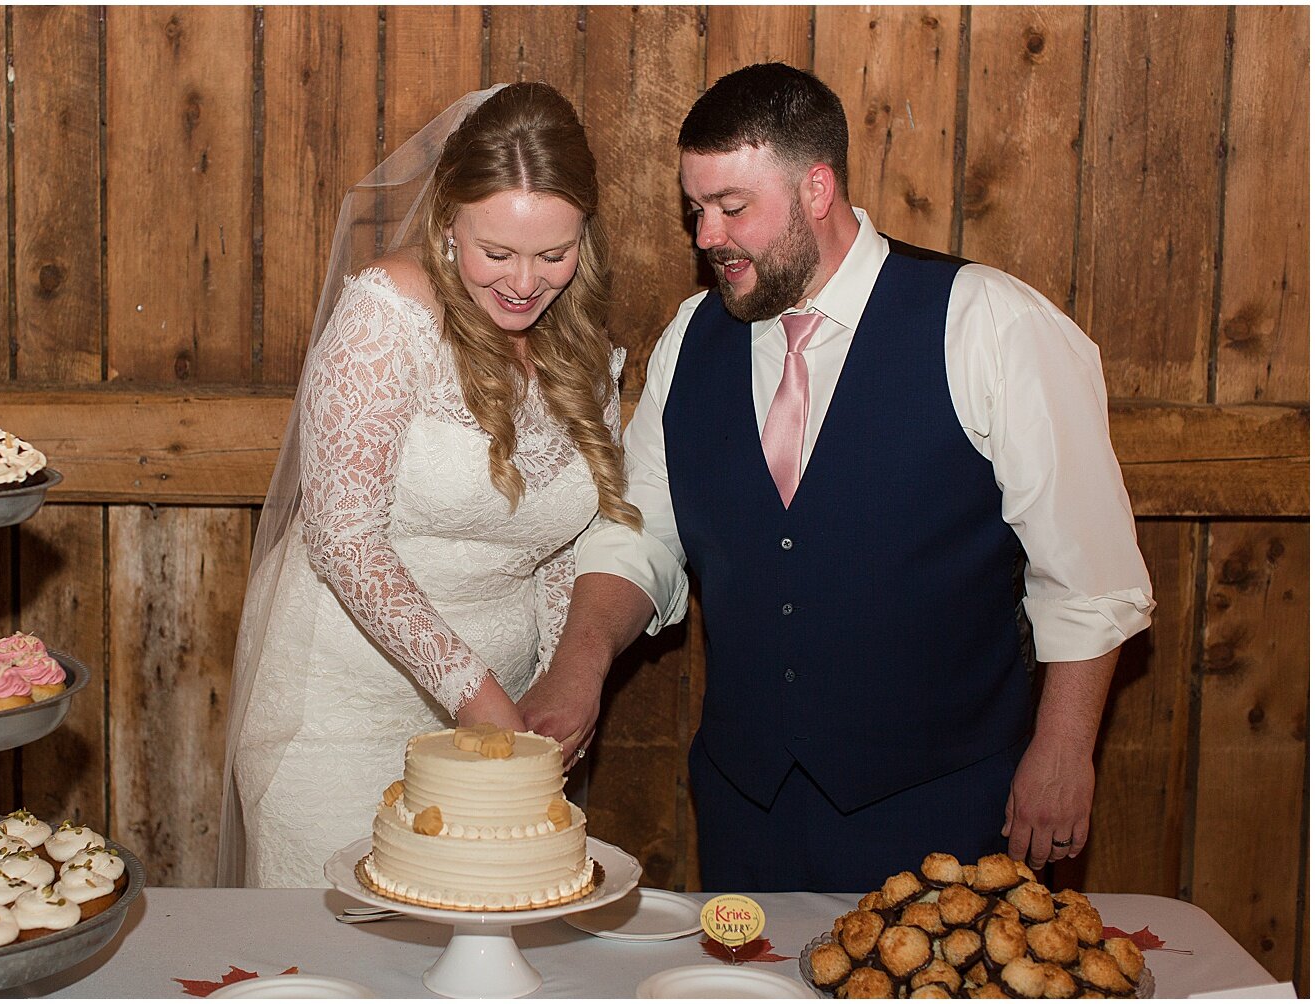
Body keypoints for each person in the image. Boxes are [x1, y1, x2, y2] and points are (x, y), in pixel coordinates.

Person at [519, 63, 1156, 892]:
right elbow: (638, 532)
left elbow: (1088, 574)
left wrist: (1064, 750)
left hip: (950, 811)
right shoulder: (691, 338)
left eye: (733, 208)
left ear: (817, 190)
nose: (707, 235)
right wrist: (577, 666)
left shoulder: (991, 324)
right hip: (748, 811)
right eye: (696, 210)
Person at [217, 82, 640, 887]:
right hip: (339, 713)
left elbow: (562, 538)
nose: (524, 282)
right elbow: (343, 537)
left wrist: (553, 678)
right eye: (497, 252)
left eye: (554, 254)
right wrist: (473, 692)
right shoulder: (388, 313)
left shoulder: (581, 343)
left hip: (503, 710)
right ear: (449, 219)